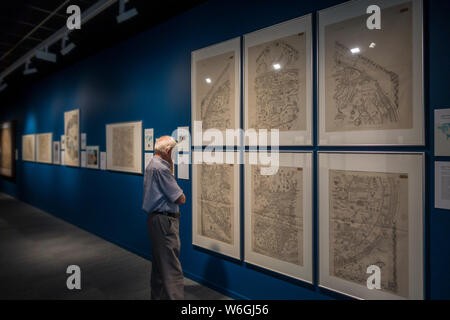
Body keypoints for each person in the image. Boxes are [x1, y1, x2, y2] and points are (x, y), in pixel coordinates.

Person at [142, 135, 186, 300]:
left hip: (155, 220)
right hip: (164, 222)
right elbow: (180, 198)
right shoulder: (161, 169)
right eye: (173, 151)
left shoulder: (153, 164)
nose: (175, 154)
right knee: (172, 269)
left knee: (160, 268)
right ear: (168, 151)